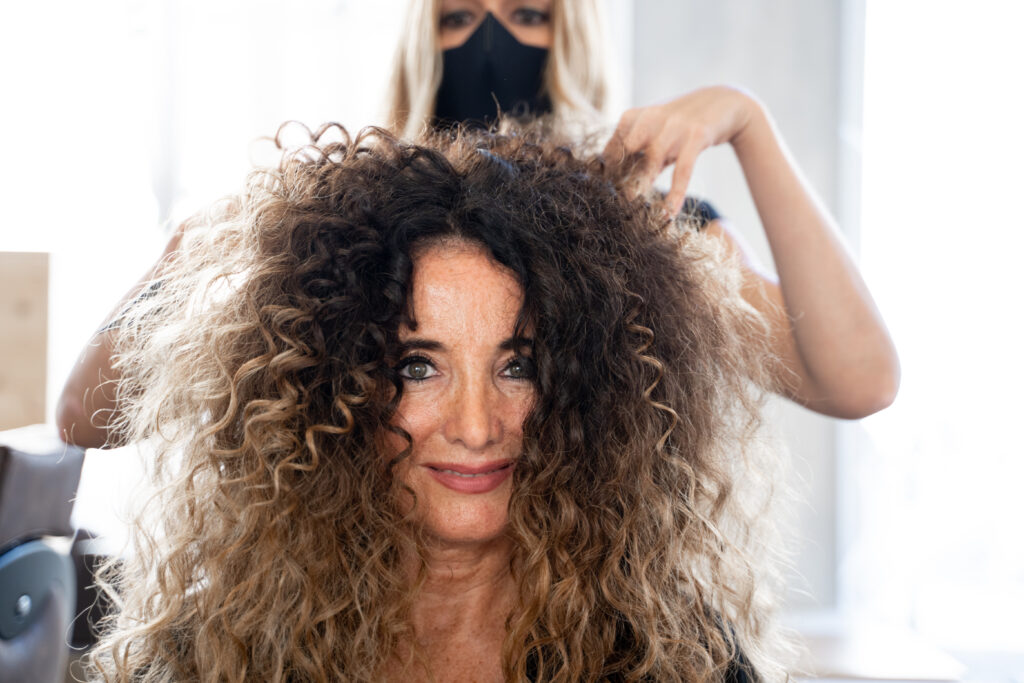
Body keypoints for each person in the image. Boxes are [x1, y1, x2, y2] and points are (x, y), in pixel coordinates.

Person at [76, 124, 789, 681]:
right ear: (331, 391)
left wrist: (748, 121)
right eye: (418, 367)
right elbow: (78, 412)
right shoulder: (224, 648)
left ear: (585, 392)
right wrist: (187, 252)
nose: (477, 427)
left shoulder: (671, 657)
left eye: (518, 366)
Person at [384, 0, 901, 420]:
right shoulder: (358, 227)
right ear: (421, 46)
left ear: (572, 38)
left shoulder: (651, 223)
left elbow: (859, 381)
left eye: (528, 15)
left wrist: (748, 121)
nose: (489, 43)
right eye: (458, 18)